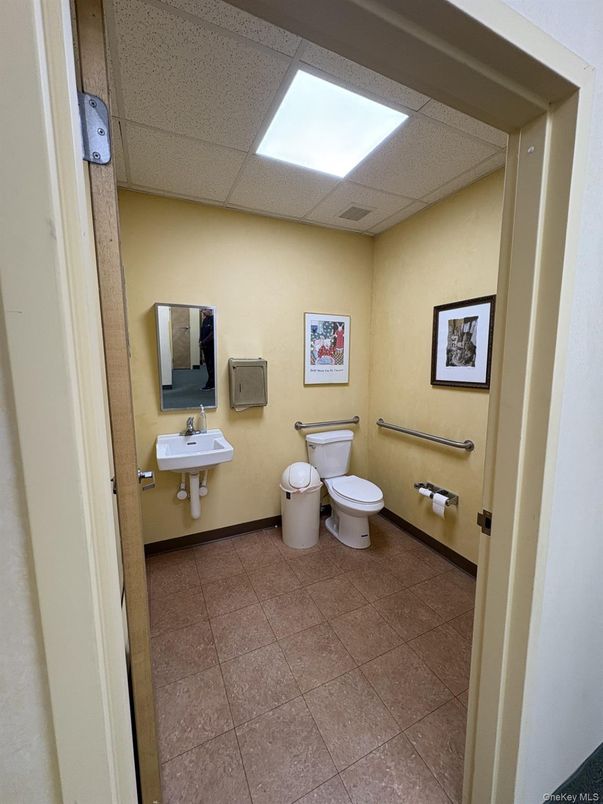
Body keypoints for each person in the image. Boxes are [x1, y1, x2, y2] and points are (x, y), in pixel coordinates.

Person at [199, 308, 214, 390]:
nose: (202, 312)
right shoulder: (205, 320)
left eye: (204, 310)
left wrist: (204, 341)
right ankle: (211, 382)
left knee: (211, 365)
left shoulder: (213, 319)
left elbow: (212, 334)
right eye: (202, 310)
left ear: (210, 310)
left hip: (211, 346)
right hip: (205, 346)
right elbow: (202, 332)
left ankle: (211, 383)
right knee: (208, 365)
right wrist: (200, 342)